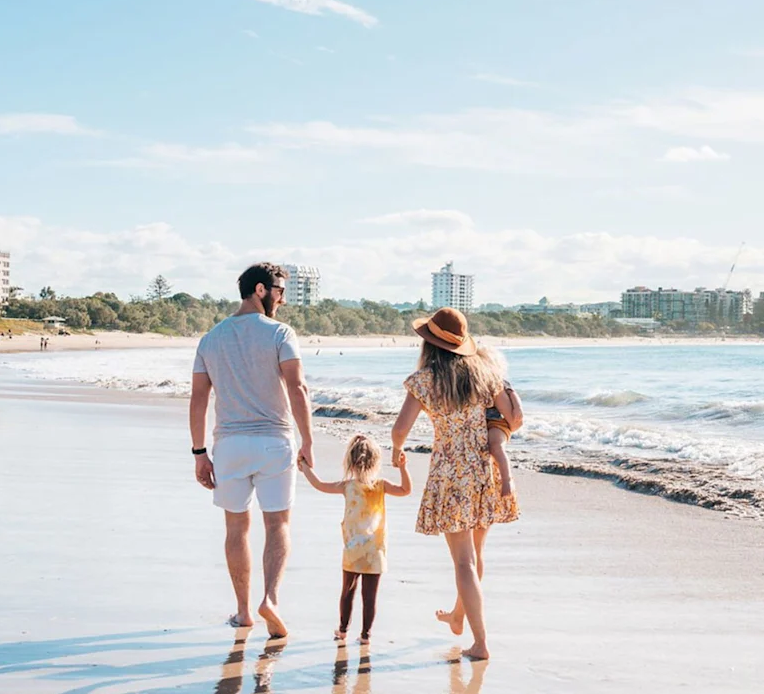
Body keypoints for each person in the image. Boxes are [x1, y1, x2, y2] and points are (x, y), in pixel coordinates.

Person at [189, 263, 315, 638]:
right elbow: (297, 388)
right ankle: (270, 600)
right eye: (279, 289)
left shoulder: (211, 338)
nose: (282, 297)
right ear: (260, 289)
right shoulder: (280, 333)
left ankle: (244, 612)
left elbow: (199, 398)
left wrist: (199, 452)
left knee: (236, 527)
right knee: (278, 523)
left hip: (229, 445)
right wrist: (307, 440)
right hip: (274, 441)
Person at [390, 307, 521, 660]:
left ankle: (480, 643)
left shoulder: (424, 380)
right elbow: (512, 417)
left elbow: (400, 428)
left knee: (463, 562)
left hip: (450, 474)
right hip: (483, 470)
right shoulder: (484, 374)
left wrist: (397, 450)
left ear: (429, 344)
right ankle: (459, 616)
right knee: (476, 555)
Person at [297, 435, 412, 644]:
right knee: (370, 597)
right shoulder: (381, 485)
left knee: (348, 591)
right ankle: (366, 635)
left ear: (350, 461)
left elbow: (319, 484)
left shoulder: (347, 485)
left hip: (352, 549)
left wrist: (304, 467)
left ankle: (342, 630)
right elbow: (406, 490)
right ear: (376, 462)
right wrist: (403, 468)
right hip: (375, 550)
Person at [484, 381, 521, 498]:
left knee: (496, 446)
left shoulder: (496, 378)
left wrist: (518, 408)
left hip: (498, 422)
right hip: (480, 423)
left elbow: (512, 393)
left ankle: (507, 480)